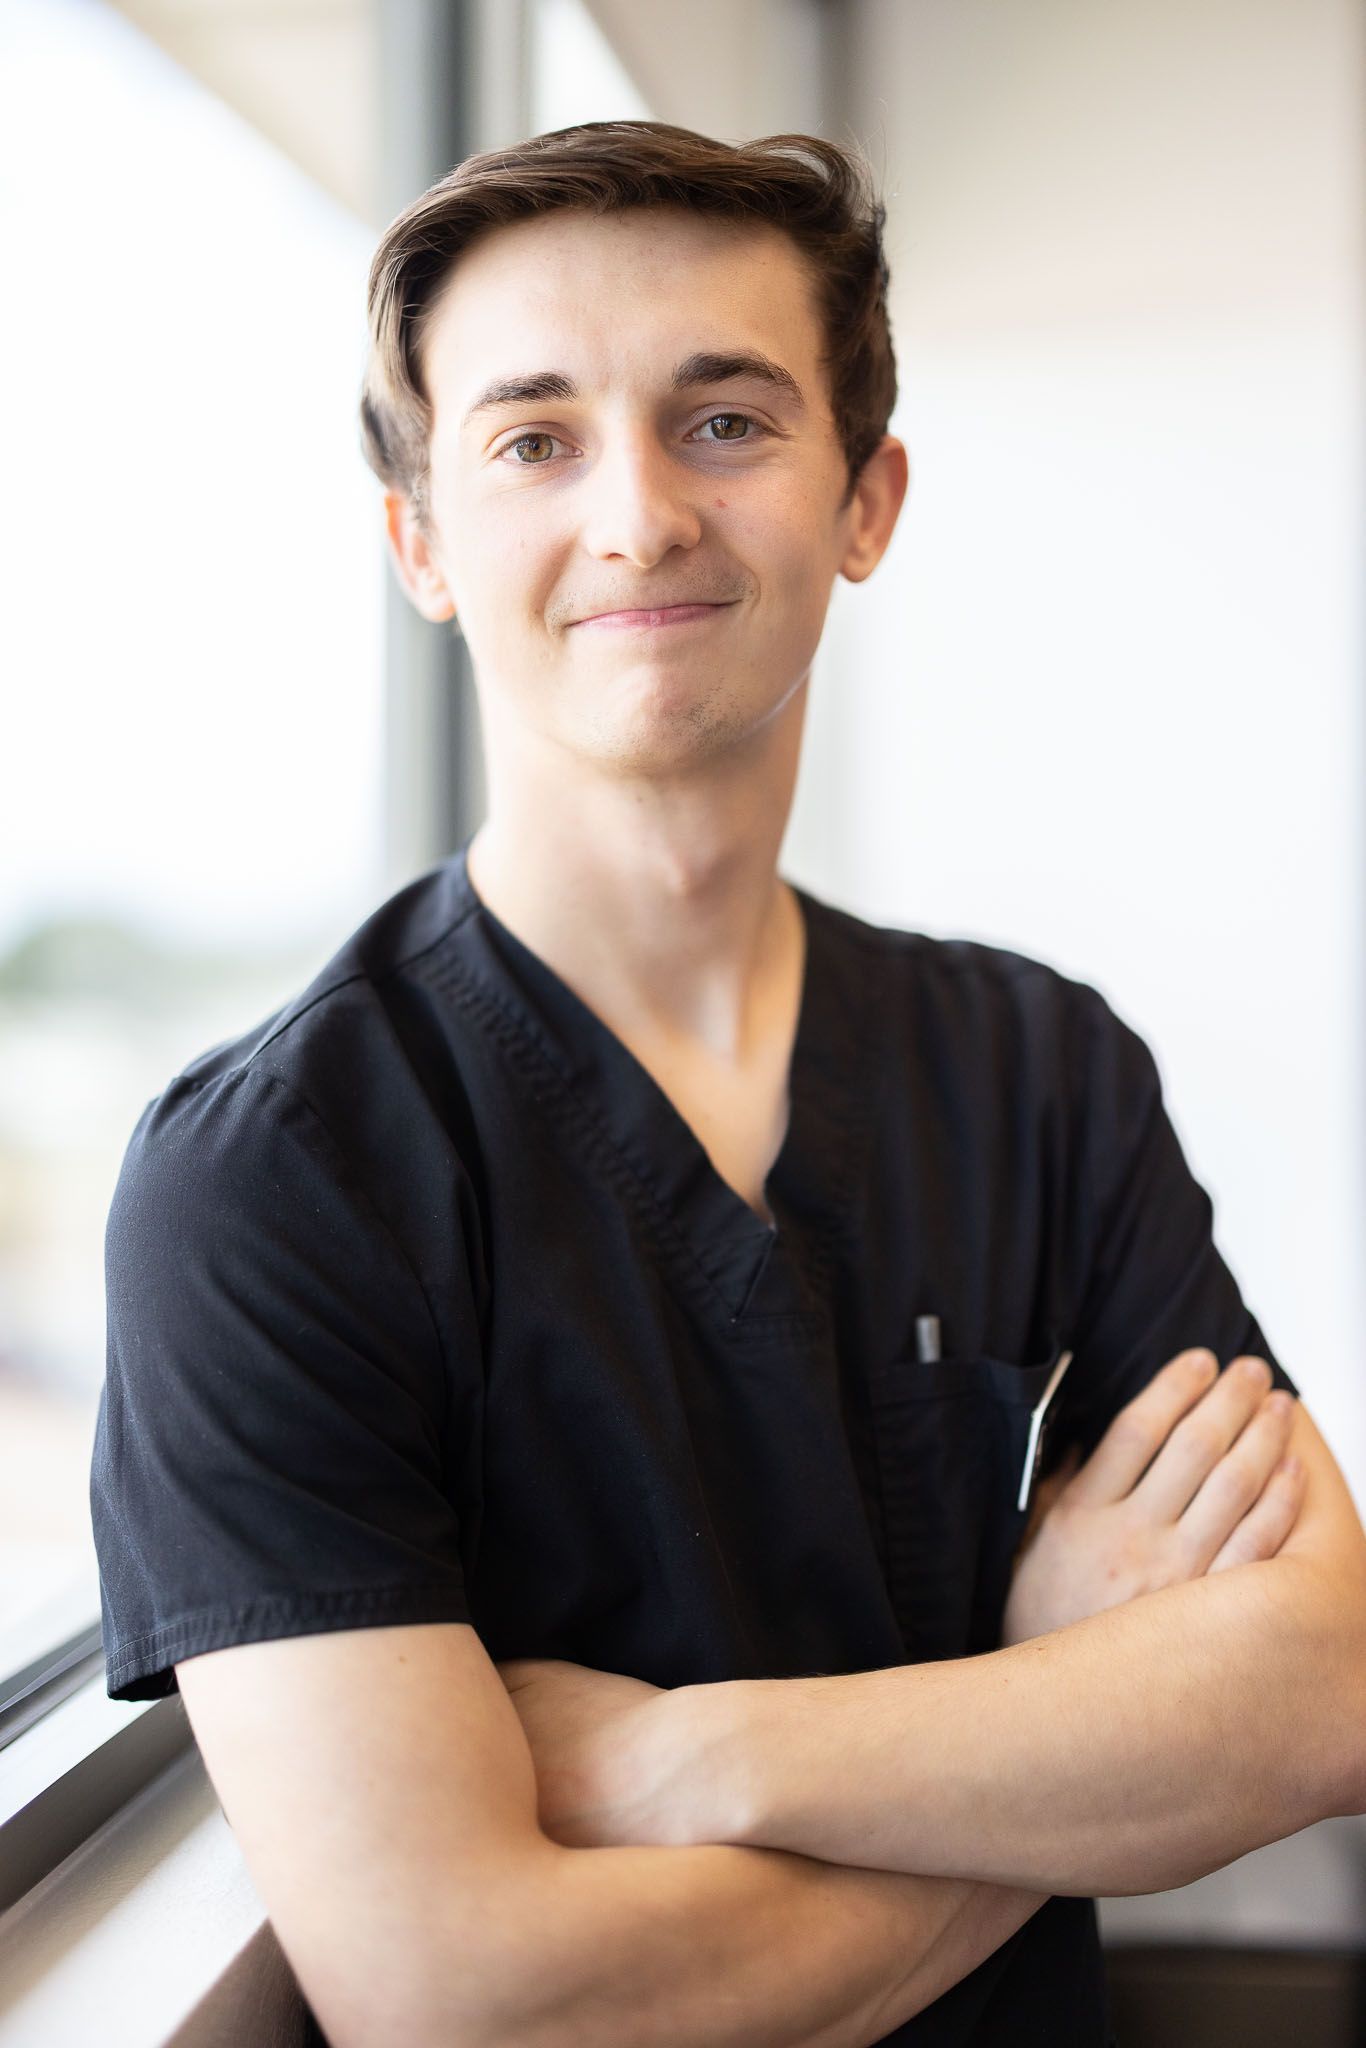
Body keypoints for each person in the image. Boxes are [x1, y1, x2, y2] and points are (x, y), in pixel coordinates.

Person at [89, 121, 1366, 2048]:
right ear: (420, 541)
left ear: (864, 498)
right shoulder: (273, 1177)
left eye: (724, 422)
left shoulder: (1039, 1071)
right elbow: (468, 2006)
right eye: (533, 439)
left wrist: (678, 1756)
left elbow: (1321, 1686)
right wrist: (1056, 1725)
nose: (638, 517)